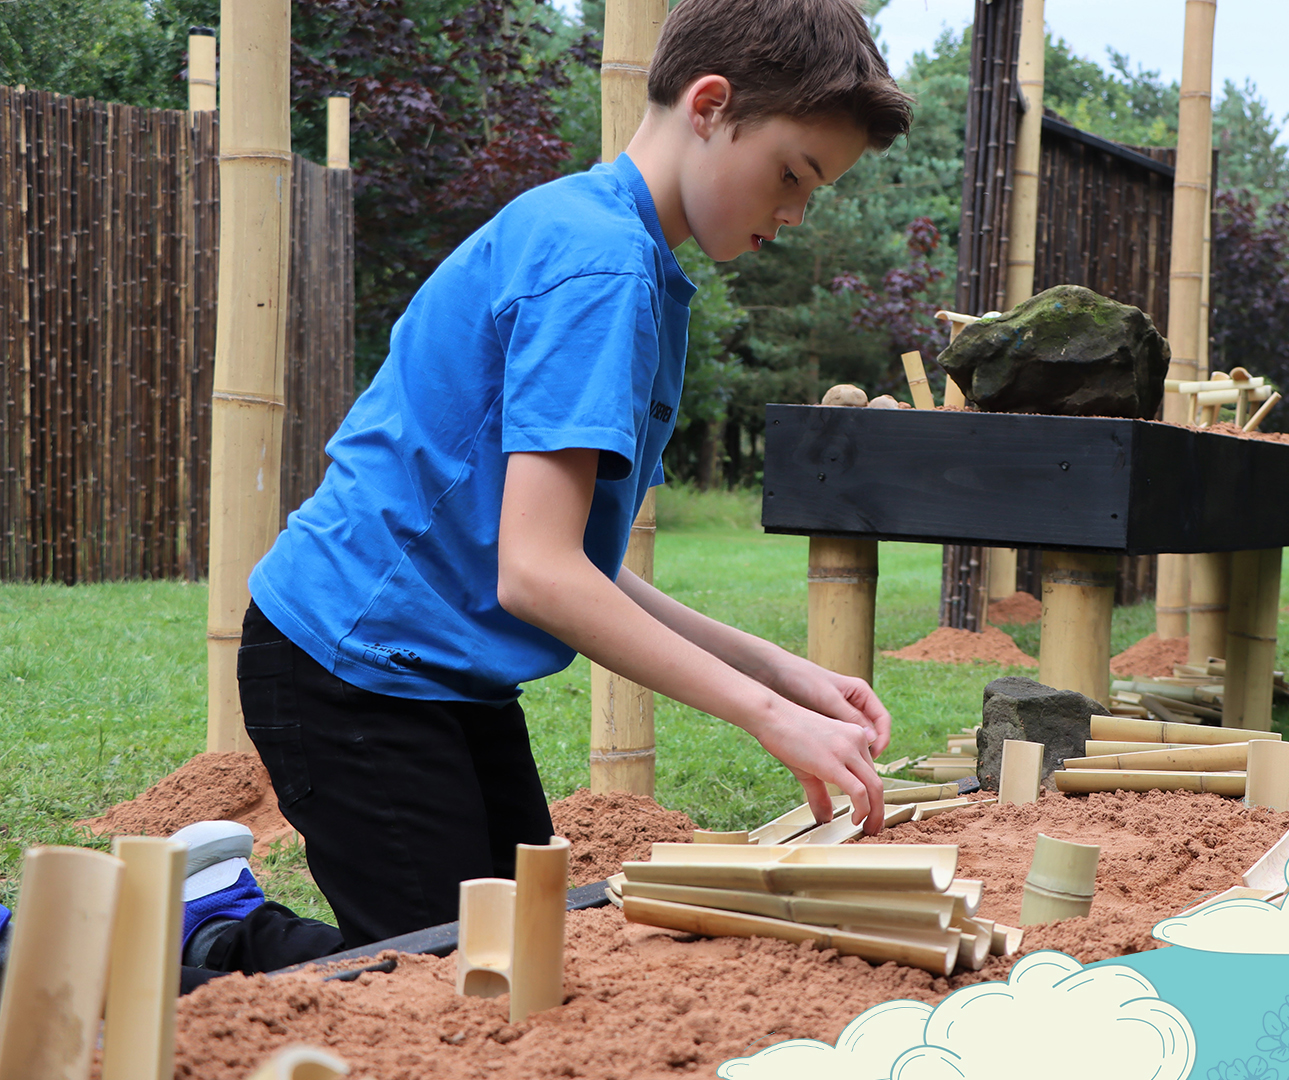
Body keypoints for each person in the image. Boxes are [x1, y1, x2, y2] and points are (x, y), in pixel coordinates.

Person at [177, 0, 915, 992]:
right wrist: (764, 717)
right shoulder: (598, 263)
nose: (793, 216)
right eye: (793, 174)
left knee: (527, 957)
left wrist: (780, 674)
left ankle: (220, 926)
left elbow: (578, 567)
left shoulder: (622, 253)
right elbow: (536, 576)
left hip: (437, 675)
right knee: (464, 984)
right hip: (351, 667)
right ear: (709, 105)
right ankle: (214, 937)